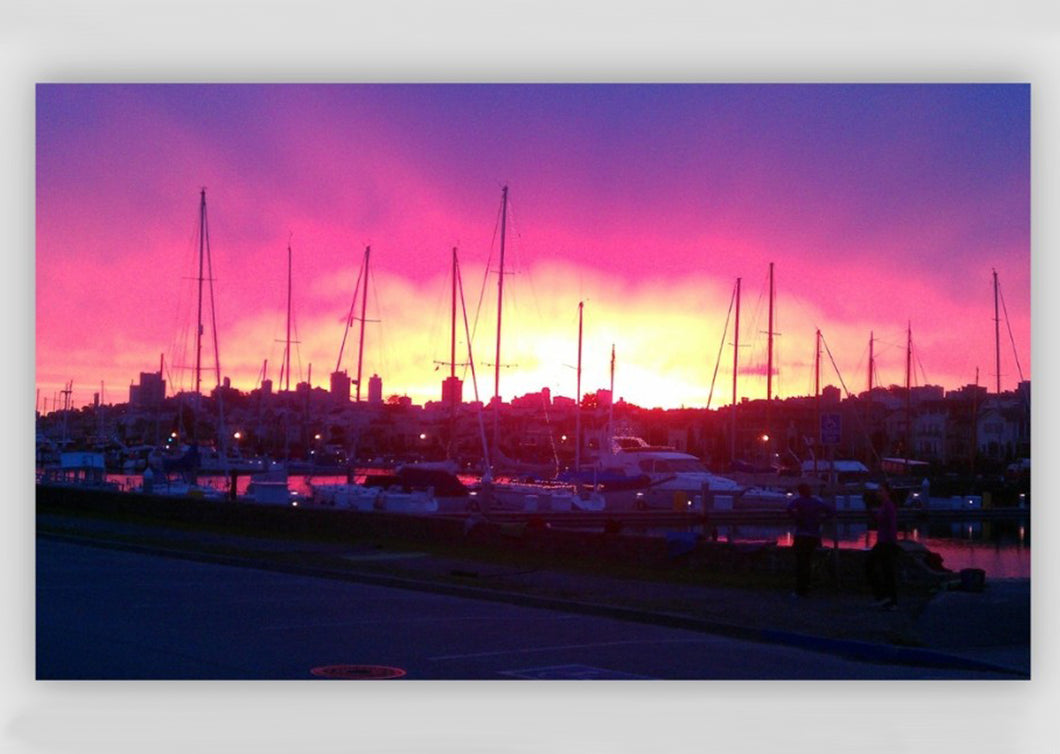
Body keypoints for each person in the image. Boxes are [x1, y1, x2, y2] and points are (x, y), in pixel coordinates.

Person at [786, 483, 835, 597]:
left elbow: (788, 509)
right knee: (808, 562)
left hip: (801, 535)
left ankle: (800, 589)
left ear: (800, 492)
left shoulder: (798, 501)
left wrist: (797, 518)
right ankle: (808, 587)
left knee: (800, 563)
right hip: (813, 536)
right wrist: (822, 519)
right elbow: (831, 511)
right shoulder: (816, 502)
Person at [865, 481, 901, 610]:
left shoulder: (889, 506)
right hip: (883, 542)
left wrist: (893, 543)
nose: (878, 493)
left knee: (878, 568)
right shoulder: (884, 506)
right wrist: (870, 510)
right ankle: (886, 598)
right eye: (878, 491)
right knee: (885, 570)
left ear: (887, 492)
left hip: (886, 543)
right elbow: (879, 520)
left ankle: (889, 599)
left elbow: (892, 525)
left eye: (880, 491)